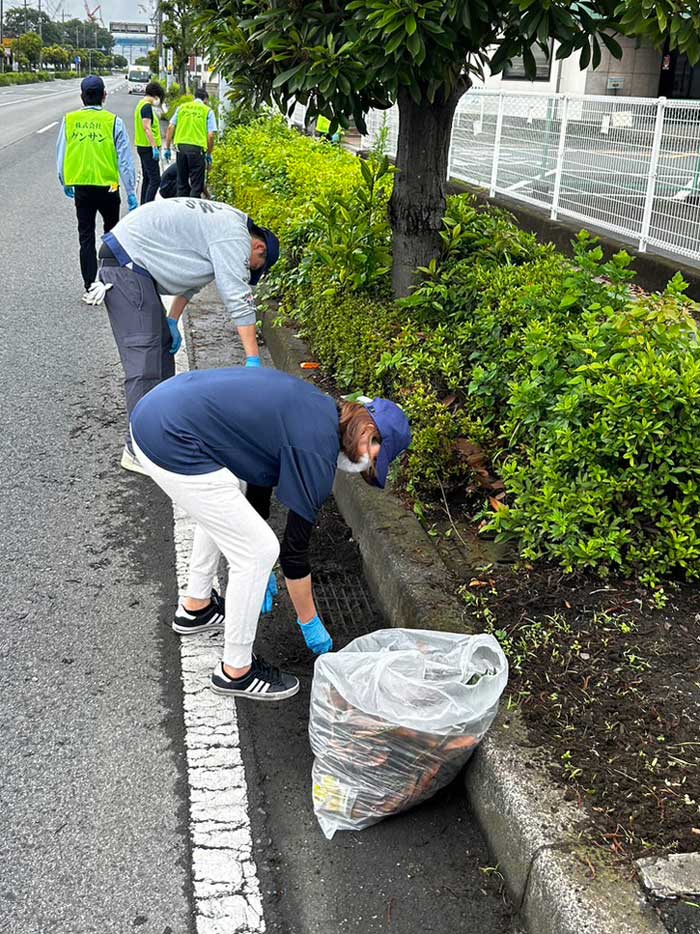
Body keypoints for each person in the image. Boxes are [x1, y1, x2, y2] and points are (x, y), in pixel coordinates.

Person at [129, 367, 412, 700]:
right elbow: (294, 554)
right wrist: (310, 623)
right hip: (169, 436)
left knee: (226, 497)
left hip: (160, 412)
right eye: (380, 452)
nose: (374, 464)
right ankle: (236, 671)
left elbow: (258, 470)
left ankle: (197, 607)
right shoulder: (316, 449)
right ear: (369, 430)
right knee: (258, 551)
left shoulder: (318, 410)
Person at [83, 198, 279, 474]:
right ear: (259, 247)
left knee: (162, 351)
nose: (248, 270)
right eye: (254, 266)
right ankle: (138, 449)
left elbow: (193, 283)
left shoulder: (227, 224)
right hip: (126, 265)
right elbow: (238, 297)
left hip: (136, 266)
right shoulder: (234, 237)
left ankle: (158, 437)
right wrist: (253, 360)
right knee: (146, 361)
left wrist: (172, 320)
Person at [56, 75, 138, 301]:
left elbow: (61, 153)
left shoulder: (69, 120)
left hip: (82, 187)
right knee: (111, 235)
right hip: (108, 188)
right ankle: (110, 280)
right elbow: (125, 161)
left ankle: (90, 284)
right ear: (104, 95)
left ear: (82, 96)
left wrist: (65, 181)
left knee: (86, 236)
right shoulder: (114, 122)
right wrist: (131, 192)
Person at [163, 88, 217, 198]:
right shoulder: (207, 111)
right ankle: (193, 212)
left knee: (182, 184)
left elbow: (170, 127)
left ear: (194, 97)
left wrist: (167, 148)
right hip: (197, 151)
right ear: (205, 99)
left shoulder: (181, 108)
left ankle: (182, 211)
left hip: (180, 149)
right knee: (196, 186)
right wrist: (209, 154)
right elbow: (211, 135)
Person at [134, 80, 165, 204]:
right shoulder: (146, 106)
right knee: (155, 180)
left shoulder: (140, 104)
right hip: (148, 148)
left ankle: (143, 205)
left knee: (147, 178)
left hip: (143, 146)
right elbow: (147, 127)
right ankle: (148, 207)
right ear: (156, 95)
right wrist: (154, 147)